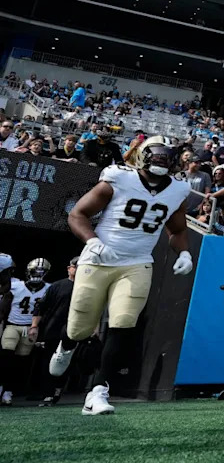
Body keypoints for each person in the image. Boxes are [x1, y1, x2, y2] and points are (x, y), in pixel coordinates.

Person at [48, 136, 194, 415]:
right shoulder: (119, 178)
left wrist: (184, 253)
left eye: (167, 155)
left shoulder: (178, 190)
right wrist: (92, 241)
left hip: (138, 263)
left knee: (123, 323)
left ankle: (98, 391)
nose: (162, 160)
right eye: (157, 154)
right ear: (142, 155)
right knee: (79, 328)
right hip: (98, 259)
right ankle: (67, 345)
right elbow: (77, 214)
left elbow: (177, 230)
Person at [0, 258, 50, 405]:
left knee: (20, 362)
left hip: (31, 327)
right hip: (13, 325)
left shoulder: (49, 288)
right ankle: (1, 387)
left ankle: (8, 390)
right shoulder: (15, 285)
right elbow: (4, 304)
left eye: (41, 272)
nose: (37, 274)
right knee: (6, 356)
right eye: (35, 271)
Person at [31, 256, 78, 406]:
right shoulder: (57, 286)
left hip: (74, 329)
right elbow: (41, 307)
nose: (78, 270)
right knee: (48, 360)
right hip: (53, 328)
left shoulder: (87, 288)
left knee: (67, 359)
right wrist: (34, 326)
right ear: (69, 268)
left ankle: (58, 389)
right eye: (76, 266)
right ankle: (48, 393)